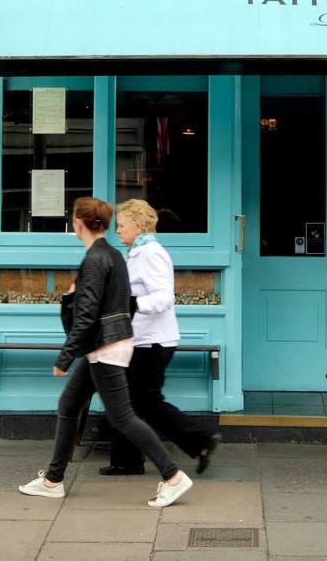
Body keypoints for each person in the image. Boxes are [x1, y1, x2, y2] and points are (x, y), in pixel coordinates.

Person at [18, 197, 194, 508]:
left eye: (74, 219)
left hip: (106, 347)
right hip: (104, 344)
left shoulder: (96, 259)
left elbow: (87, 316)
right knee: (69, 404)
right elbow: (114, 301)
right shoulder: (111, 254)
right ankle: (53, 480)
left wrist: (64, 357)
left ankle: (173, 477)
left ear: (79, 224)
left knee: (123, 417)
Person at [99, 199, 221, 477]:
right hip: (142, 339)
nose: (117, 231)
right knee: (130, 400)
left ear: (139, 226)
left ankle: (200, 439)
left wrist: (130, 305)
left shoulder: (151, 253)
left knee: (142, 402)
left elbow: (164, 297)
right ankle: (127, 460)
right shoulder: (138, 252)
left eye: (121, 225)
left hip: (152, 342)